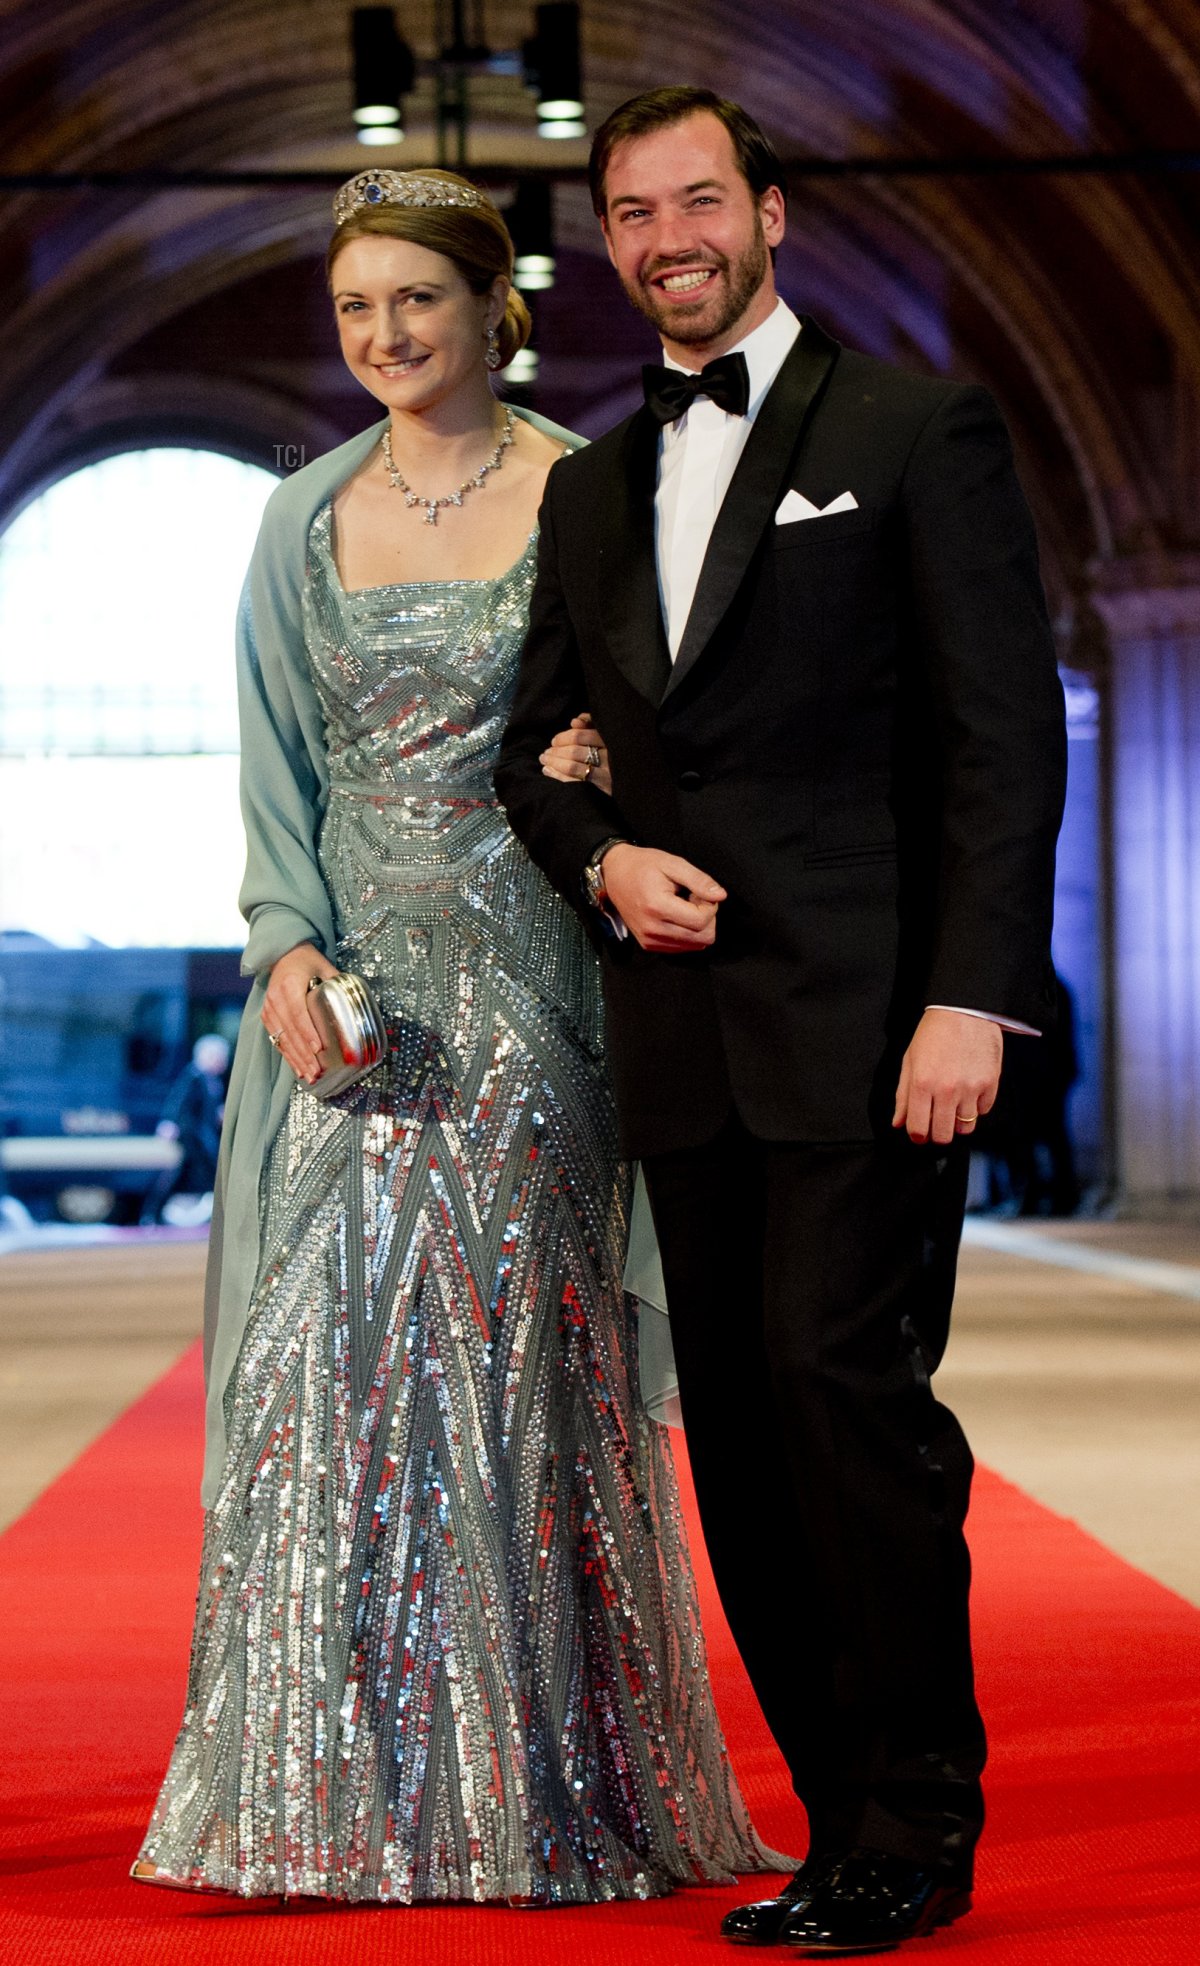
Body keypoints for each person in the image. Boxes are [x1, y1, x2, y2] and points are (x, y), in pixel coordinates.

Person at [132, 166, 780, 1904]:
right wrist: (280, 945)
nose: (384, 337)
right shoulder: (301, 518)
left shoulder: (593, 488)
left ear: (497, 305)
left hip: (540, 988)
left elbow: (686, 713)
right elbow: (273, 773)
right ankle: (325, 1789)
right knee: (326, 1375)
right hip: (350, 1008)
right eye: (353, 309)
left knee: (525, 1363)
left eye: (414, 300)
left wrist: (601, 771)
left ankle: (552, 1786)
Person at [496, 89, 1068, 1954]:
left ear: (772, 213)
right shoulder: (589, 487)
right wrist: (602, 861)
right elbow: (532, 752)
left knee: (848, 1406)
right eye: (634, 210)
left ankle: (917, 1822)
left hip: (881, 1029)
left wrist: (973, 996)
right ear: (608, 239)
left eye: (699, 199)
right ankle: (836, 1824)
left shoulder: (914, 428)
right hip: (680, 1047)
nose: (669, 234)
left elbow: (1002, 740)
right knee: (739, 1433)